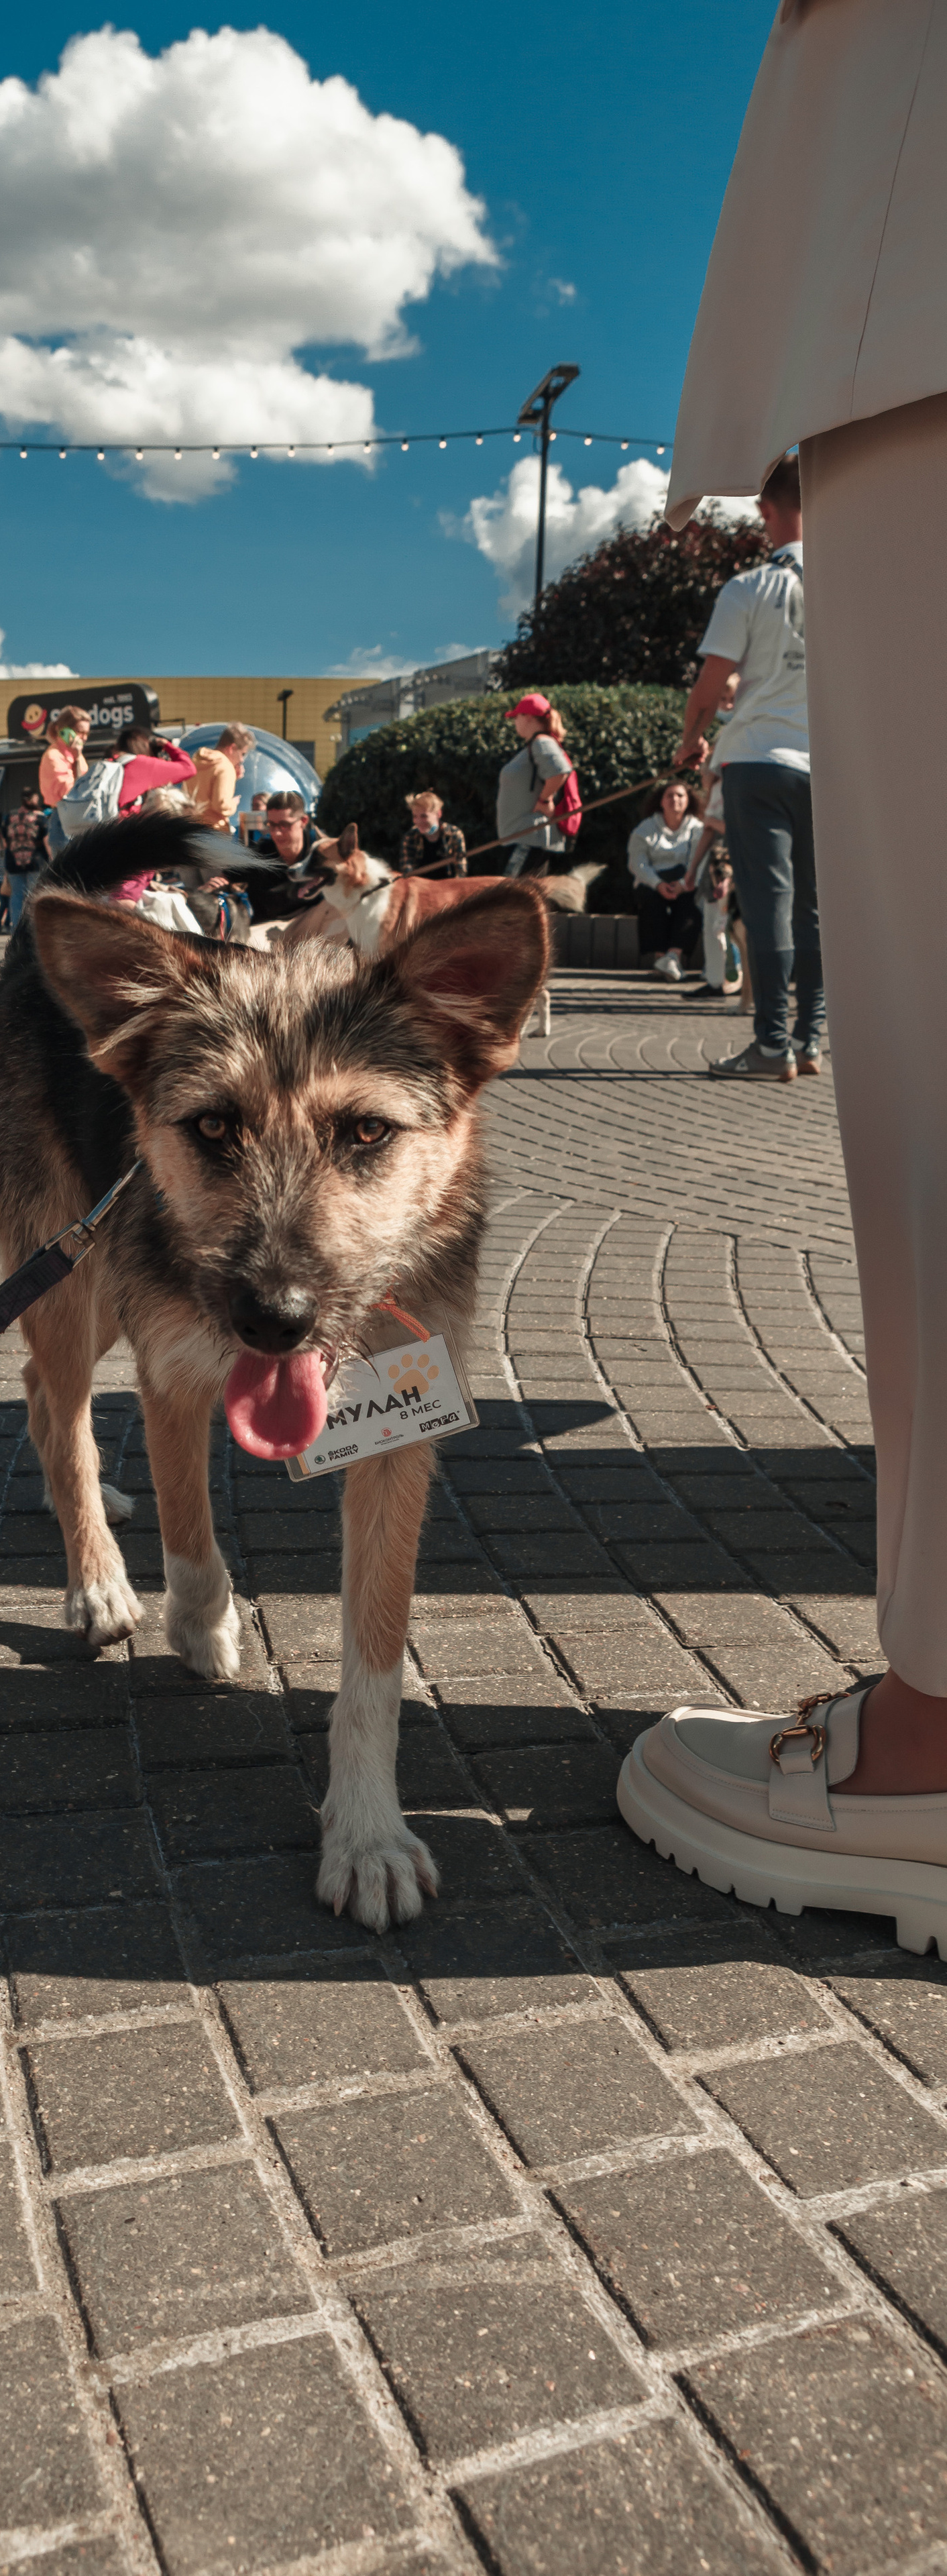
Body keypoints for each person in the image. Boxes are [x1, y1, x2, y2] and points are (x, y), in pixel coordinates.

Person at [614, 1, 947, 1937]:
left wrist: (686, 747)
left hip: (925, 225)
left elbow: (727, 688)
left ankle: (933, 1737)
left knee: (924, 1027)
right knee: (858, 970)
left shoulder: (767, 572)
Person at [674, 456, 814, 1079]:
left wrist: (690, 741)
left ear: (766, 510)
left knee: (768, 908)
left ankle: (770, 1047)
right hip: (826, 765)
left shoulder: (751, 587)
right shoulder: (854, 583)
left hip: (758, 761)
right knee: (814, 909)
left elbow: (710, 686)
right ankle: (810, 1042)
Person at [628, 781, 704, 982]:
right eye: (669, 795)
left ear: (688, 801)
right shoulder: (645, 829)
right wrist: (658, 884)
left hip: (685, 881)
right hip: (654, 882)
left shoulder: (698, 828)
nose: (675, 800)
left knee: (693, 903)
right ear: (661, 801)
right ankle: (661, 960)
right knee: (651, 902)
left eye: (680, 796)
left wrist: (682, 884)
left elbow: (698, 859)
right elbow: (637, 863)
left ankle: (673, 958)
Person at [494, 694, 573, 877]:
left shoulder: (542, 742)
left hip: (528, 839)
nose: (514, 722)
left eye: (517, 717)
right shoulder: (536, 744)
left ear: (528, 717)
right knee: (520, 902)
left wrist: (544, 799)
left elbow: (561, 770)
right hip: (523, 838)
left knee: (511, 899)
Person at [111, 722, 197, 814]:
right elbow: (189, 768)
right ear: (144, 745)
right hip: (124, 824)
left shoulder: (110, 763)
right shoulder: (142, 764)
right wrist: (166, 745)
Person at [188, 724, 254, 831]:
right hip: (213, 832)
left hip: (191, 828)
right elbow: (221, 805)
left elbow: (205, 790)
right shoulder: (225, 767)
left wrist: (233, 779)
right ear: (232, 748)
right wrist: (233, 803)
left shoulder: (197, 761)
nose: (242, 760)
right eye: (242, 754)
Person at [0, 786, 46, 927]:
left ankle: (17, 929)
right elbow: (47, 841)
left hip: (13, 862)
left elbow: (4, 842)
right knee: (34, 897)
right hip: (35, 861)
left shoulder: (10, 816)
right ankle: (33, 930)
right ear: (33, 799)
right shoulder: (40, 818)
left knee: (17, 896)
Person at [248, 791, 324, 869]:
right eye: (272, 825)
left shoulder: (323, 853)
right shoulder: (261, 855)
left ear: (303, 821)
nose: (276, 833)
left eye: (284, 825)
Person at [399, 792, 467, 877]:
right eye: (415, 816)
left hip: (449, 887)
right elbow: (408, 873)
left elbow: (461, 871)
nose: (418, 821)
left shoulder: (455, 834)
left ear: (438, 814)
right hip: (421, 887)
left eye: (424, 816)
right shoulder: (410, 837)